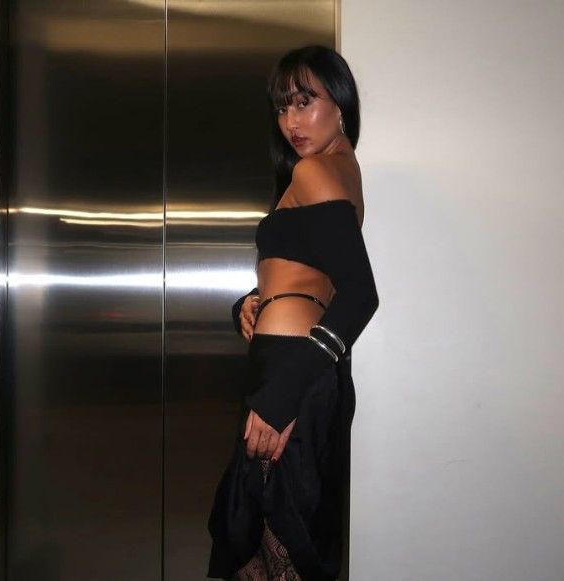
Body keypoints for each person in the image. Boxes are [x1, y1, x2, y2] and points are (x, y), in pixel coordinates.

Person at [207, 45, 379, 581]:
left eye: (305, 102)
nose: (291, 122)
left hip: (293, 372)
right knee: (259, 543)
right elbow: (315, 277)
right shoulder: (337, 171)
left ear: (341, 104)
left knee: (276, 545)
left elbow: (360, 294)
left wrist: (284, 394)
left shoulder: (315, 172)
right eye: (283, 107)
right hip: (291, 368)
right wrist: (252, 301)